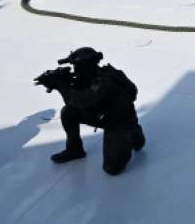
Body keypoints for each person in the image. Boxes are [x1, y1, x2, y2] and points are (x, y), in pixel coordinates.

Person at [39, 47, 145, 175]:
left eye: (77, 65)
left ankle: (134, 133)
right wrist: (58, 82)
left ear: (87, 65)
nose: (75, 69)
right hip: (101, 114)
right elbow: (75, 101)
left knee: (112, 168)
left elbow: (82, 100)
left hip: (119, 122)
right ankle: (75, 150)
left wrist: (61, 85)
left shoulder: (104, 80)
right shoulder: (87, 76)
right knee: (68, 112)